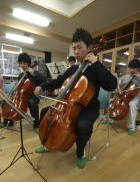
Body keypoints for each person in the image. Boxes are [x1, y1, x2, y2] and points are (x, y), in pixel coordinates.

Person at [34, 28, 117, 168]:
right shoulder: (73, 69)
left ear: (90, 48)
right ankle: (48, 144)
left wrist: (96, 63)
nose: (76, 52)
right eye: (74, 48)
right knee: (45, 113)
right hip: (68, 105)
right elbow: (59, 81)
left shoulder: (96, 68)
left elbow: (112, 85)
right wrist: (42, 85)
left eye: (80, 47)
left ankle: (80, 152)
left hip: (89, 107)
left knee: (83, 126)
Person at [103, 59, 140, 136]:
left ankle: (131, 127)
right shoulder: (124, 77)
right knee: (110, 101)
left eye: (133, 68)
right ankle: (109, 118)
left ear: (138, 68)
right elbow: (118, 86)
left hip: (135, 97)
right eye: (130, 68)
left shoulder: (138, 77)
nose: (131, 70)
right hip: (123, 96)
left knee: (132, 105)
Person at [17, 53, 46, 133]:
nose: (22, 65)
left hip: (33, 96)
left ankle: (37, 124)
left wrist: (32, 72)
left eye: (24, 63)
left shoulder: (34, 73)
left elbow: (44, 79)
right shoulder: (21, 75)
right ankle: (8, 122)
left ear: (28, 63)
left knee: (31, 102)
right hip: (22, 96)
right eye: (21, 63)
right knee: (8, 102)